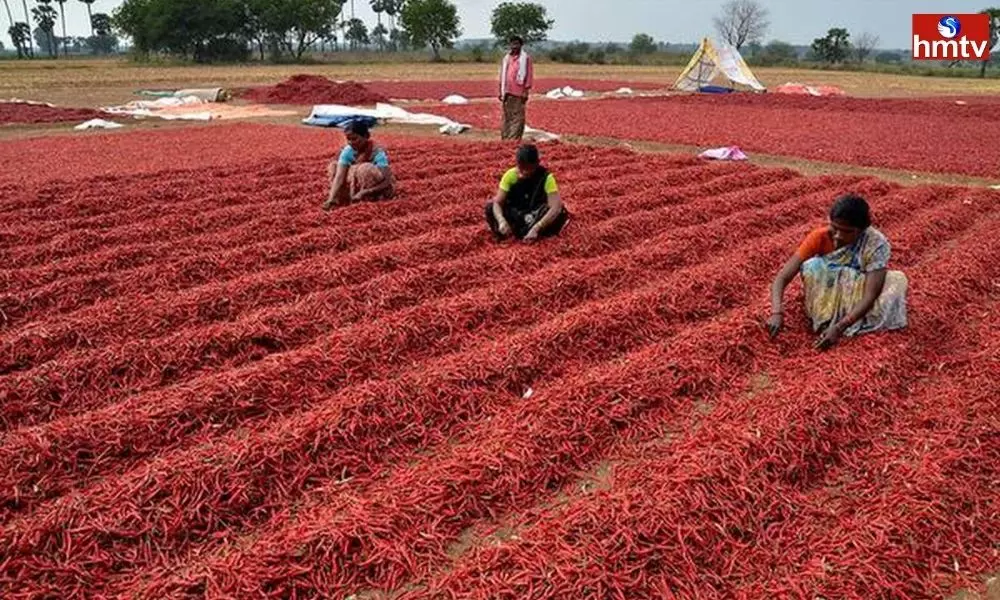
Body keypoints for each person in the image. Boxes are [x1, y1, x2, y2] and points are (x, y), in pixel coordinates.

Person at [767, 194, 908, 350]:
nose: (838, 235)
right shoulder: (819, 237)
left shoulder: (876, 244)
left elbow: (870, 294)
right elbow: (782, 277)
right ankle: (824, 318)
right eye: (835, 228)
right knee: (813, 266)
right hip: (830, 291)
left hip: (858, 292)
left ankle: (848, 320)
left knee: (896, 281)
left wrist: (840, 327)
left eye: (847, 231)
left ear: (862, 230)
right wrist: (777, 312)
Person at [485, 144, 568, 242]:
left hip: (535, 214)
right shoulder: (510, 175)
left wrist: (537, 227)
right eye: (521, 168)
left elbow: (555, 207)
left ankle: (534, 233)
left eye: (529, 169)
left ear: (537, 164)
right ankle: (509, 233)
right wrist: (501, 221)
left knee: (560, 213)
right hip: (517, 213)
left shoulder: (546, 177)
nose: (524, 172)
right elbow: (497, 203)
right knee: (490, 207)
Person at [323, 120, 394, 210]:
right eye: (348, 139)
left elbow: (387, 180)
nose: (351, 142)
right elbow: (339, 177)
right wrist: (331, 199)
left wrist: (365, 192)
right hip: (358, 185)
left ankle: (371, 198)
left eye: (355, 139)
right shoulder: (348, 151)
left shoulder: (377, 151)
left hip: (376, 187)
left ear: (366, 137)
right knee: (334, 167)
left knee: (365, 169)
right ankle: (342, 197)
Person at [499, 35, 534, 141]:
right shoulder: (506, 58)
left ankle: (514, 138)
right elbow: (502, 75)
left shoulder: (525, 58)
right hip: (507, 91)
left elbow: (528, 75)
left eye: (517, 44)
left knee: (518, 116)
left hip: (519, 92)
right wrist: (500, 90)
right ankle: (506, 137)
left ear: (521, 45)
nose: (514, 46)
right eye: (512, 44)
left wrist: (525, 91)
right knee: (507, 116)